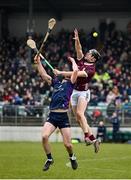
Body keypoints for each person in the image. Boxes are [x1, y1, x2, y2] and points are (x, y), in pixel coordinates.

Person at [54, 29, 101, 153]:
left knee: (80, 114)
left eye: (90, 53)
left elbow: (76, 73)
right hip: (74, 92)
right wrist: (77, 38)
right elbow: (79, 49)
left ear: (93, 59)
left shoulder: (91, 70)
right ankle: (94, 139)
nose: (87, 53)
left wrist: (60, 73)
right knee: (78, 119)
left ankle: (86, 137)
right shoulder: (82, 60)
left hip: (83, 93)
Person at [34, 55, 78, 171]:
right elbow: (44, 75)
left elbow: (76, 71)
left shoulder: (71, 83)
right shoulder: (56, 83)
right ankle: (49, 159)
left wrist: (72, 62)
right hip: (53, 115)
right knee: (44, 136)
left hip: (63, 116)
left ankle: (72, 157)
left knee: (68, 145)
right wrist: (38, 63)